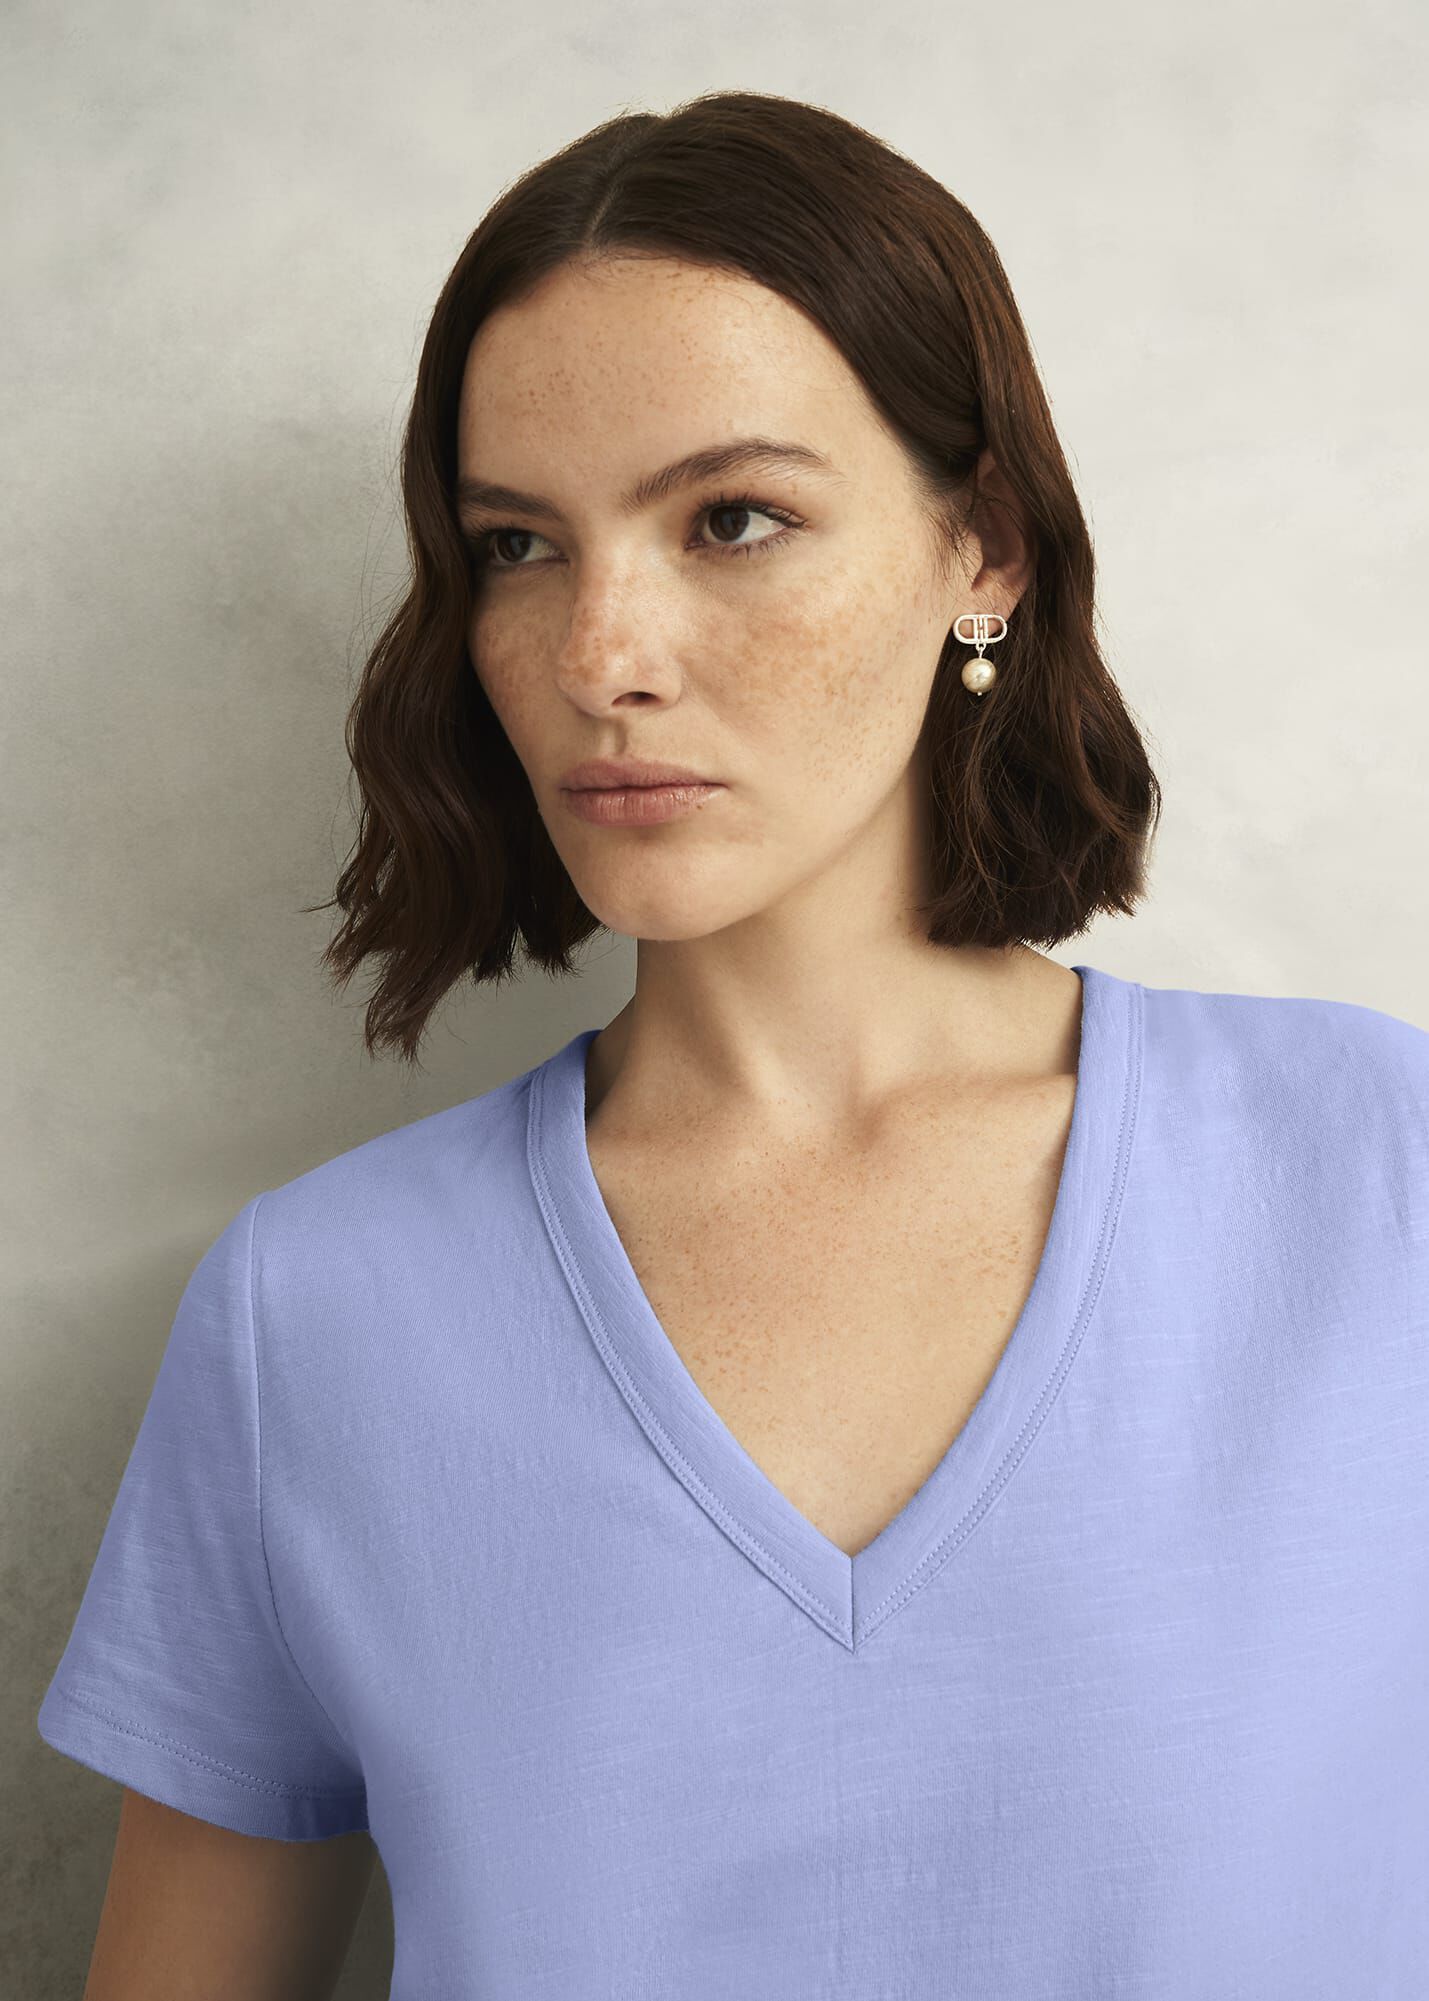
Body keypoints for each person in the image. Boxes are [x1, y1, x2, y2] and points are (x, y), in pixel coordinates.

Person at [38, 90, 1429, 2000]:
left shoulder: (1377, 1175)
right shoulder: (318, 1314)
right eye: (516, 544)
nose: (599, 653)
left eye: (732, 519)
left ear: (984, 549)